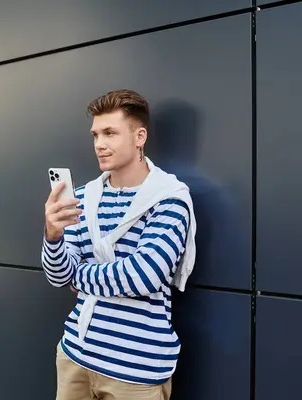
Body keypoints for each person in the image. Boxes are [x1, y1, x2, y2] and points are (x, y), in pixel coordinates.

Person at [41, 89, 196, 400]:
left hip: (135, 369)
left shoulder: (169, 200)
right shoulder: (82, 198)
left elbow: (144, 275)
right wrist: (53, 235)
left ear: (140, 137)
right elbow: (58, 277)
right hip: (75, 355)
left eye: (110, 133)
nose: (99, 143)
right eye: (96, 134)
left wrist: (80, 275)